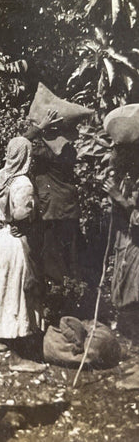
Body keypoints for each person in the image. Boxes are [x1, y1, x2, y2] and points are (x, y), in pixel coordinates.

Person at [0, 137, 44, 360]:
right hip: (18, 239)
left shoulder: (3, 176)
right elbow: (21, 214)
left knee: (3, 284)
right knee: (17, 287)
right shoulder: (23, 183)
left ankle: (1, 339)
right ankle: (17, 340)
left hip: (3, 238)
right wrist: (27, 221)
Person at [24, 109, 84, 282]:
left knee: (52, 257)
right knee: (70, 254)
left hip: (52, 210)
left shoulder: (48, 153)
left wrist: (39, 127)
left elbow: (20, 143)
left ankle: (58, 295)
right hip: (68, 207)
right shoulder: (68, 150)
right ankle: (73, 291)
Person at [103, 144, 139, 340]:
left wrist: (118, 196)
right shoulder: (129, 175)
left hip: (136, 240)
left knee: (134, 280)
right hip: (127, 236)